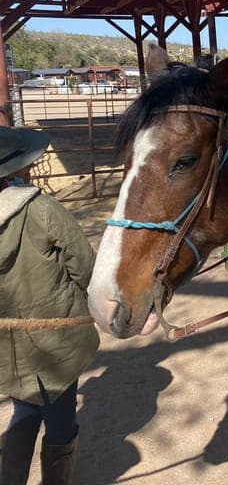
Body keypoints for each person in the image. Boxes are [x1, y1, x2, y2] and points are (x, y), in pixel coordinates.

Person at [0, 127, 99, 485]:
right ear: (17, 169)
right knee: (59, 413)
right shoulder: (40, 209)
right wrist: (101, 306)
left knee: (24, 407)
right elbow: (84, 265)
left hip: (6, 344)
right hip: (57, 333)